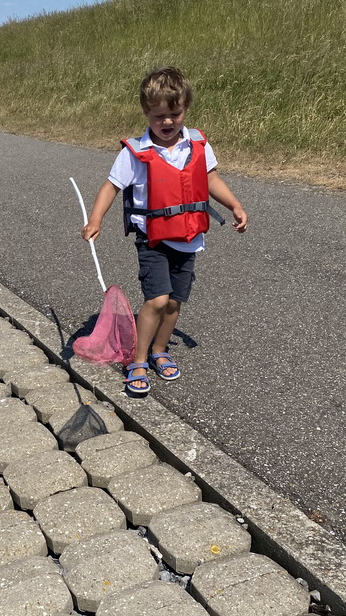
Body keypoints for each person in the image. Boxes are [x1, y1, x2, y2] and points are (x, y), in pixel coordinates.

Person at [82, 66, 247, 395]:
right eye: (159, 116)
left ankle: (160, 350)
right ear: (146, 112)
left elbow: (211, 179)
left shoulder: (197, 144)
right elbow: (111, 187)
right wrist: (96, 219)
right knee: (156, 300)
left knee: (173, 303)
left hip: (189, 239)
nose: (168, 122)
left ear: (185, 109)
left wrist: (235, 205)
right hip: (153, 240)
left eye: (175, 114)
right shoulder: (135, 153)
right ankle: (138, 358)